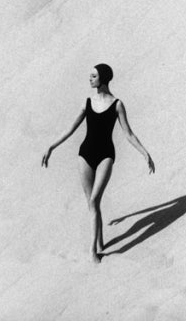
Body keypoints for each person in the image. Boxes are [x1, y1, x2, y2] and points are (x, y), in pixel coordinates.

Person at [41, 63, 155, 261]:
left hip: (106, 156)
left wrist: (144, 152)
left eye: (93, 76)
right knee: (92, 203)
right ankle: (99, 241)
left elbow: (128, 133)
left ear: (103, 78)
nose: (90, 79)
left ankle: (93, 251)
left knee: (94, 200)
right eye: (90, 76)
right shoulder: (87, 102)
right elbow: (70, 128)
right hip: (85, 154)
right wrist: (51, 146)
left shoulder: (117, 104)